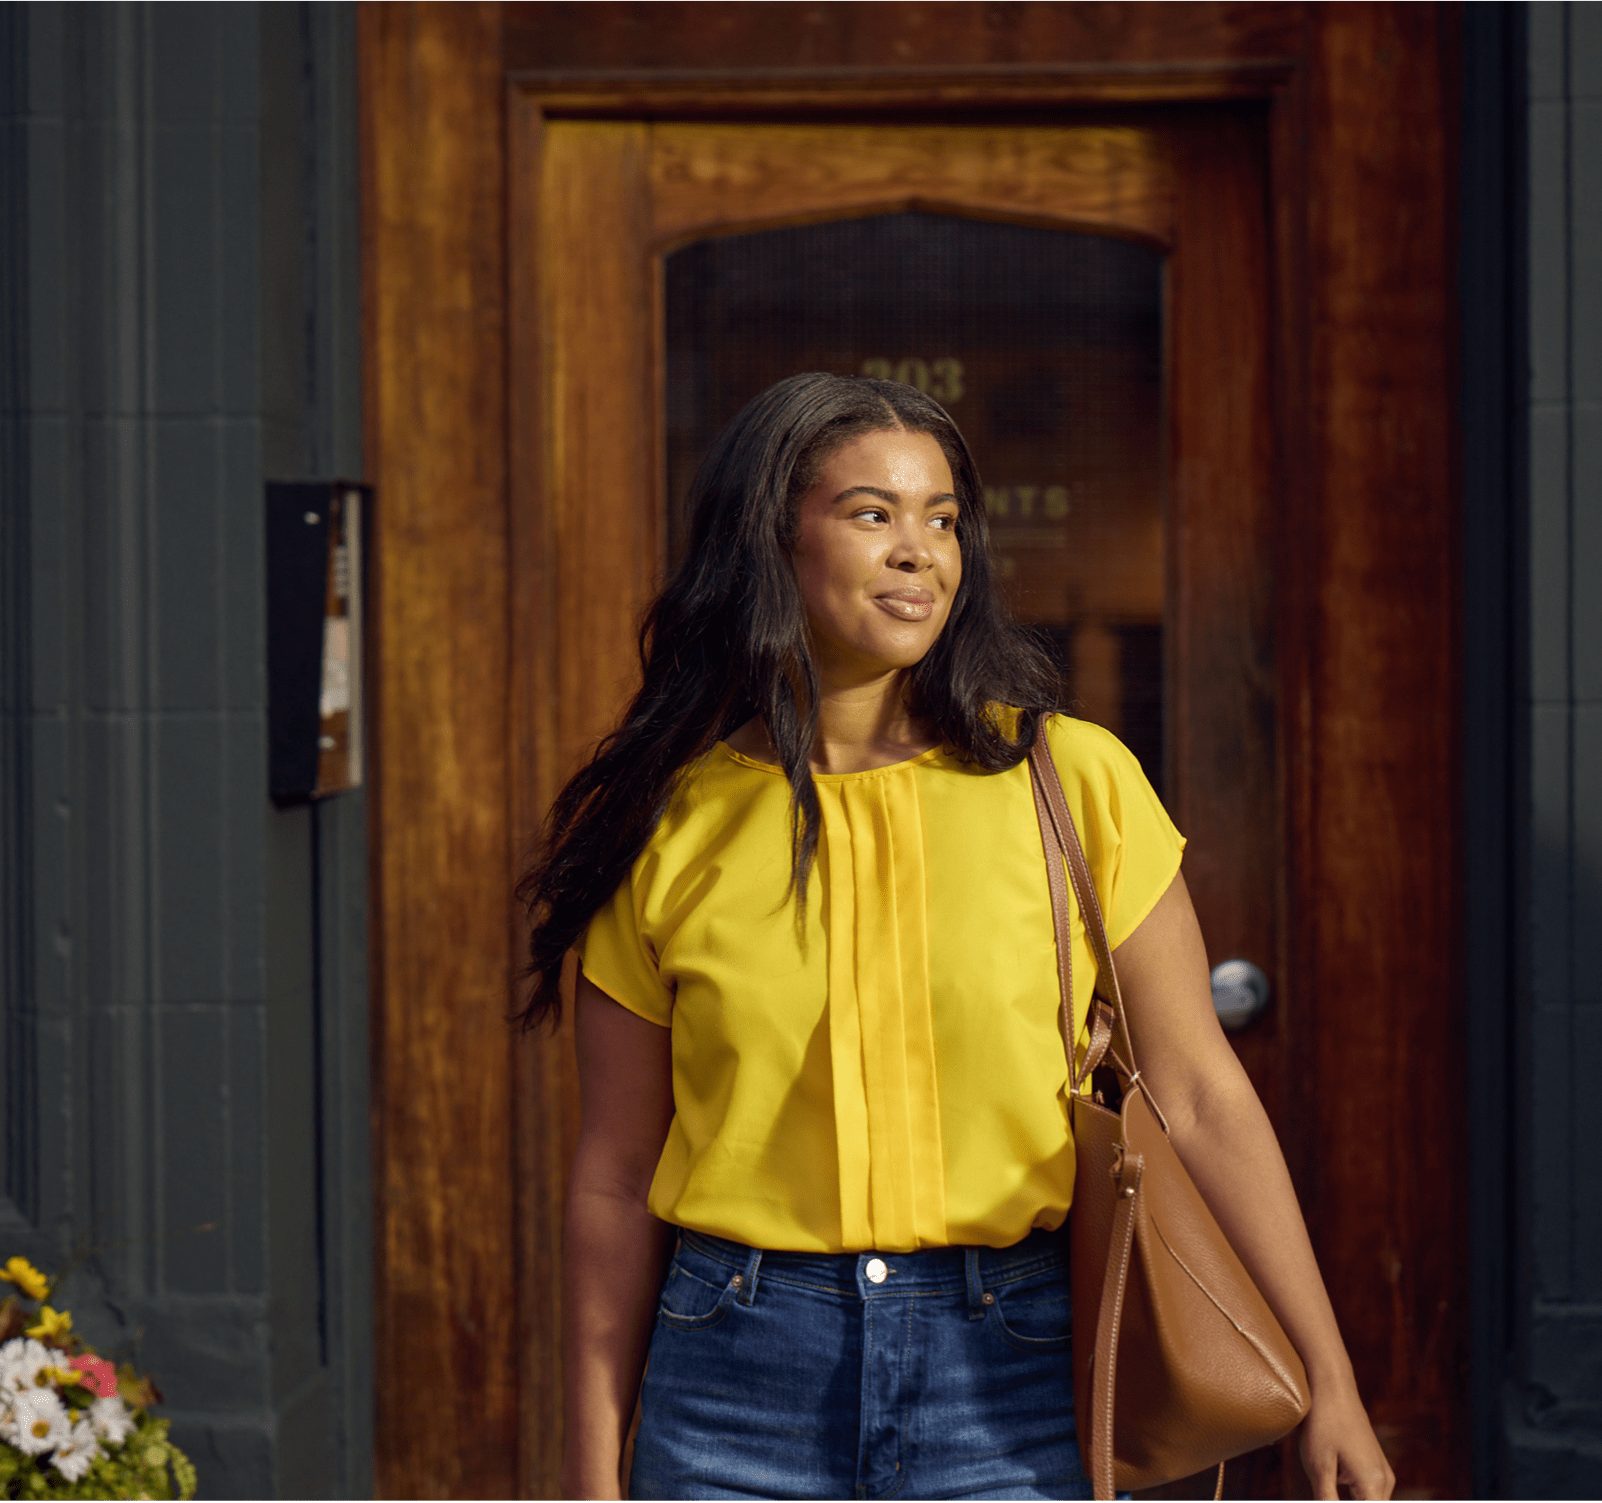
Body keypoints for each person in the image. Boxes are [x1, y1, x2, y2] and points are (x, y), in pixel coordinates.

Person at [518, 372, 1395, 1503]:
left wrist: (1330, 1382)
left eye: (942, 519)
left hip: (1011, 1373)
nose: (917, 550)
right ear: (771, 540)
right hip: (733, 1381)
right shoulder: (669, 825)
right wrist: (594, 1471)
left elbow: (1201, 1093)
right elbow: (615, 1176)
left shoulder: (1070, 778)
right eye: (872, 514)